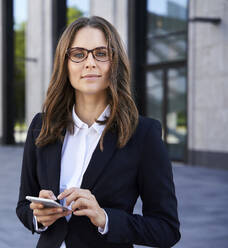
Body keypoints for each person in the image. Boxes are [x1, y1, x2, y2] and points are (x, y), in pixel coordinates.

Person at [16, 16, 180, 248]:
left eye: (101, 53)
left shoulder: (143, 134)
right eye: (78, 54)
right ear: (65, 63)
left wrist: (105, 218)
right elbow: (23, 205)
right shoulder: (41, 126)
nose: (90, 63)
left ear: (115, 62)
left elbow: (167, 229)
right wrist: (38, 218)